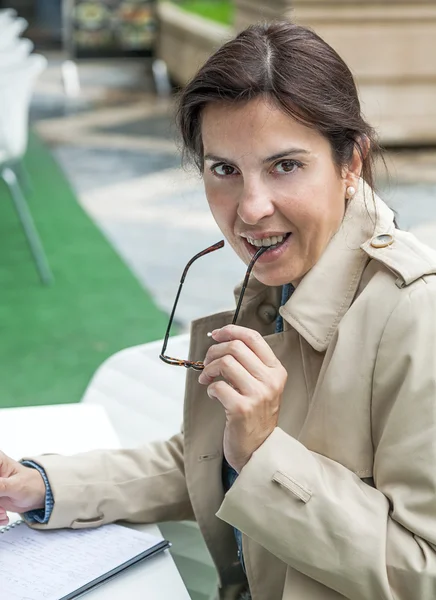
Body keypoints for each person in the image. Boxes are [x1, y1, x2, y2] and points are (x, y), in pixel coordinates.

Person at [1, 20, 436, 600]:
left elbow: (423, 572)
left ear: (351, 162)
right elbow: (209, 460)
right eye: (224, 169)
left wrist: (262, 452)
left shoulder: (416, 317)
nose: (251, 210)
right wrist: (43, 484)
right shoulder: (279, 280)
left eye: (286, 165)